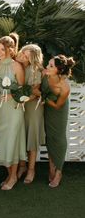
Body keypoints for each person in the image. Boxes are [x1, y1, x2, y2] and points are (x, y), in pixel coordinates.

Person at [0, 36, 26, 190]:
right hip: (0, 109)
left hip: (14, 108)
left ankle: (13, 177)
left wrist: (12, 94)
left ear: (11, 50)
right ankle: (10, 174)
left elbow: (22, 88)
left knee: (12, 141)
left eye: (2, 49)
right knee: (4, 141)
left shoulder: (17, 66)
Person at [43, 54, 75, 188]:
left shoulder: (64, 87)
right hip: (47, 110)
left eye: (51, 66)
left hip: (58, 111)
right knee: (49, 137)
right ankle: (51, 168)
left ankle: (59, 171)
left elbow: (57, 106)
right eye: (48, 64)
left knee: (59, 138)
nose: (47, 67)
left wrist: (43, 98)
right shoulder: (46, 75)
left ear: (59, 70)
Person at [16, 44, 45, 184]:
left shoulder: (36, 70)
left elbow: (35, 91)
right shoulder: (17, 65)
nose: (22, 56)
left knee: (31, 135)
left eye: (26, 56)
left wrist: (23, 99)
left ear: (33, 58)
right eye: (22, 53)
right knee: (21, 134)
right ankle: (22, 166)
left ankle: (31, 169)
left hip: (33, 106)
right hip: (20, 105)